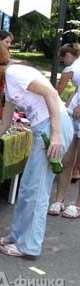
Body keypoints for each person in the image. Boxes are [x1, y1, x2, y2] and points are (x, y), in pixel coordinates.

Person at [0, 42, 73, 258]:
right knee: (26, 188)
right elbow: (4, 124)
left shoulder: (15, 72)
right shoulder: (8, 80)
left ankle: (29, 246)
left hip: (52, 127)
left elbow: (52, 94)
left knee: (37, 190)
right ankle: (18, 235)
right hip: (43, 129)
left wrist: (56, 134)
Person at [48, 43, 80, 218]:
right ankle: (59, 200)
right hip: (74, 114)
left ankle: (77, 205)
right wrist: (72, 100)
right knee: (67, 159)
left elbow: (58, 89)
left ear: (68, 55)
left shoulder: (71, 68)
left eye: (63, 57)